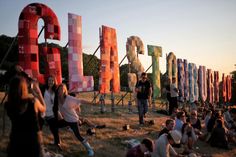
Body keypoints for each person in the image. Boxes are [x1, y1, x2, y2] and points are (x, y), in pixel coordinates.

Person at [5, 76, 46, 157]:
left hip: (15, 142)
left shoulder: (8, 105)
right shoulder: (33, 102)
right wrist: (38, 92)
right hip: (32, 143)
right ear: (24, 88)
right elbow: (44, 108)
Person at [53, 83, 94, 156]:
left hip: (73, 120)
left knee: (78, 136)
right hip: (66, 120)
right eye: (59, 89)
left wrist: (92, 103)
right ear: (57, 90)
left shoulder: (69, 98)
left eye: (62, 89)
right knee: (54, 126)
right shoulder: (57, 99)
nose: (61, 91)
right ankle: (57, 141)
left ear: (65, 91)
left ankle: (90, 149)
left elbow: (80, 100)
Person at [43, 75, 62, 149]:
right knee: (50, 128)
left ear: (54, 82)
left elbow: (59, 101)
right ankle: (56, 142)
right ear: (47, 81)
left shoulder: (56, 91)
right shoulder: (44, 89)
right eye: (49, 80)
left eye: (52, 80)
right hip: (44, 112)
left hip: (52, 113)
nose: (50, 82)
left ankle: (57, 143)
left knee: (54, 129)